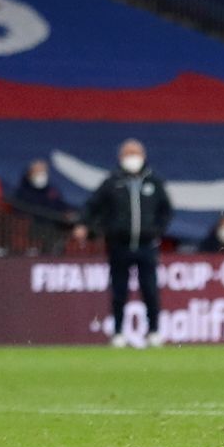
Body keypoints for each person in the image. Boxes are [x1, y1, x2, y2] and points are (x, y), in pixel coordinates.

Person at [84, 138, 173, 347]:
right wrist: (100, 228)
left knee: (150, 290)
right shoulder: (112, 182)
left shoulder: (154, 182)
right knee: (119, 291)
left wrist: (157, 231)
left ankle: (154, 332)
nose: (132, 158)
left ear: (143, 156)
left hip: (146, 246)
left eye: (135, 153)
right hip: (119, 245)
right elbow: (92, 207)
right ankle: (117, 333)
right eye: (128, 154)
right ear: (120, 157)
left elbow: (166, 211)